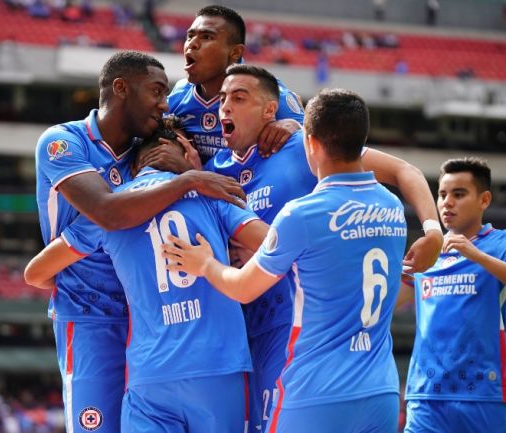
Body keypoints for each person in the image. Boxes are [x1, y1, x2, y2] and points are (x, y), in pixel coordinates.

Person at [204, 65, 443, 433]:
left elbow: (405, 171)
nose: (225, 107)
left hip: (304, 364)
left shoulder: (300, 185)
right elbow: (399, 283)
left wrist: (207, 261)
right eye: (222, 99)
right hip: (369, 382)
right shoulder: (391, 208)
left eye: (238, 98)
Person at [163, 89, 409, 433]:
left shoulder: (302, 214)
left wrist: (204, 263)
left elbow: (244, 288)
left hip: (314, 391)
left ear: (310, 143)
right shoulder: (392, 207)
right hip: (379, 390)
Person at [33, 51, 244, 433]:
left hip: (144, 319)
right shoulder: (62, 141)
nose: (165, 104)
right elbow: (107, 212)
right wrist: (191, 180)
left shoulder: (141, 154)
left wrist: (290, 125)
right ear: (121, 88)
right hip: (89, 317)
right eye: (157, 92)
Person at [399, 157, 506, 433]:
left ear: (484, 200)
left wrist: (476, 255)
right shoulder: (430, 251)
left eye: (459, 194)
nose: (447, 202)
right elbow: (385, 303)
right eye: (442, 194)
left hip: (484, 396)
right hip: (425, 397)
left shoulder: (503, 242)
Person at [166, 5, 304, 162]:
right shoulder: (179, 94)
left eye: (206, 37)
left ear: (235, 52)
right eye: (190, 36)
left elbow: (315, 141)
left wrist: (295, 126)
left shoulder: (271, 95)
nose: (192, 44)